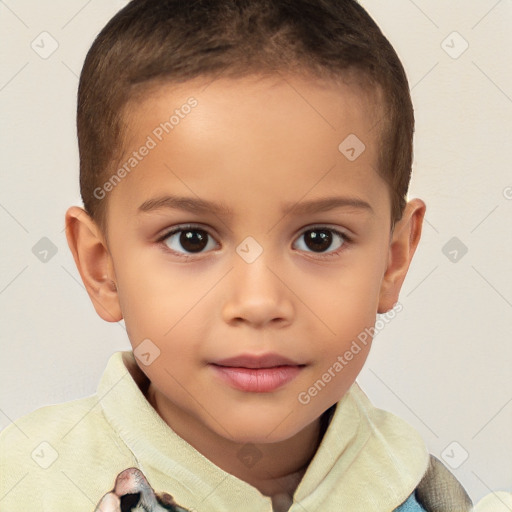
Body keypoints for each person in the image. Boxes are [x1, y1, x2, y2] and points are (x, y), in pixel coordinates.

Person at [0, 0, 494, 510]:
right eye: (191, 239)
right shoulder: (23, 484)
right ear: (102, 268)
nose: (259, 302)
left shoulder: (429, 494)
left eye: (319, 239)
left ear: (393, 261)